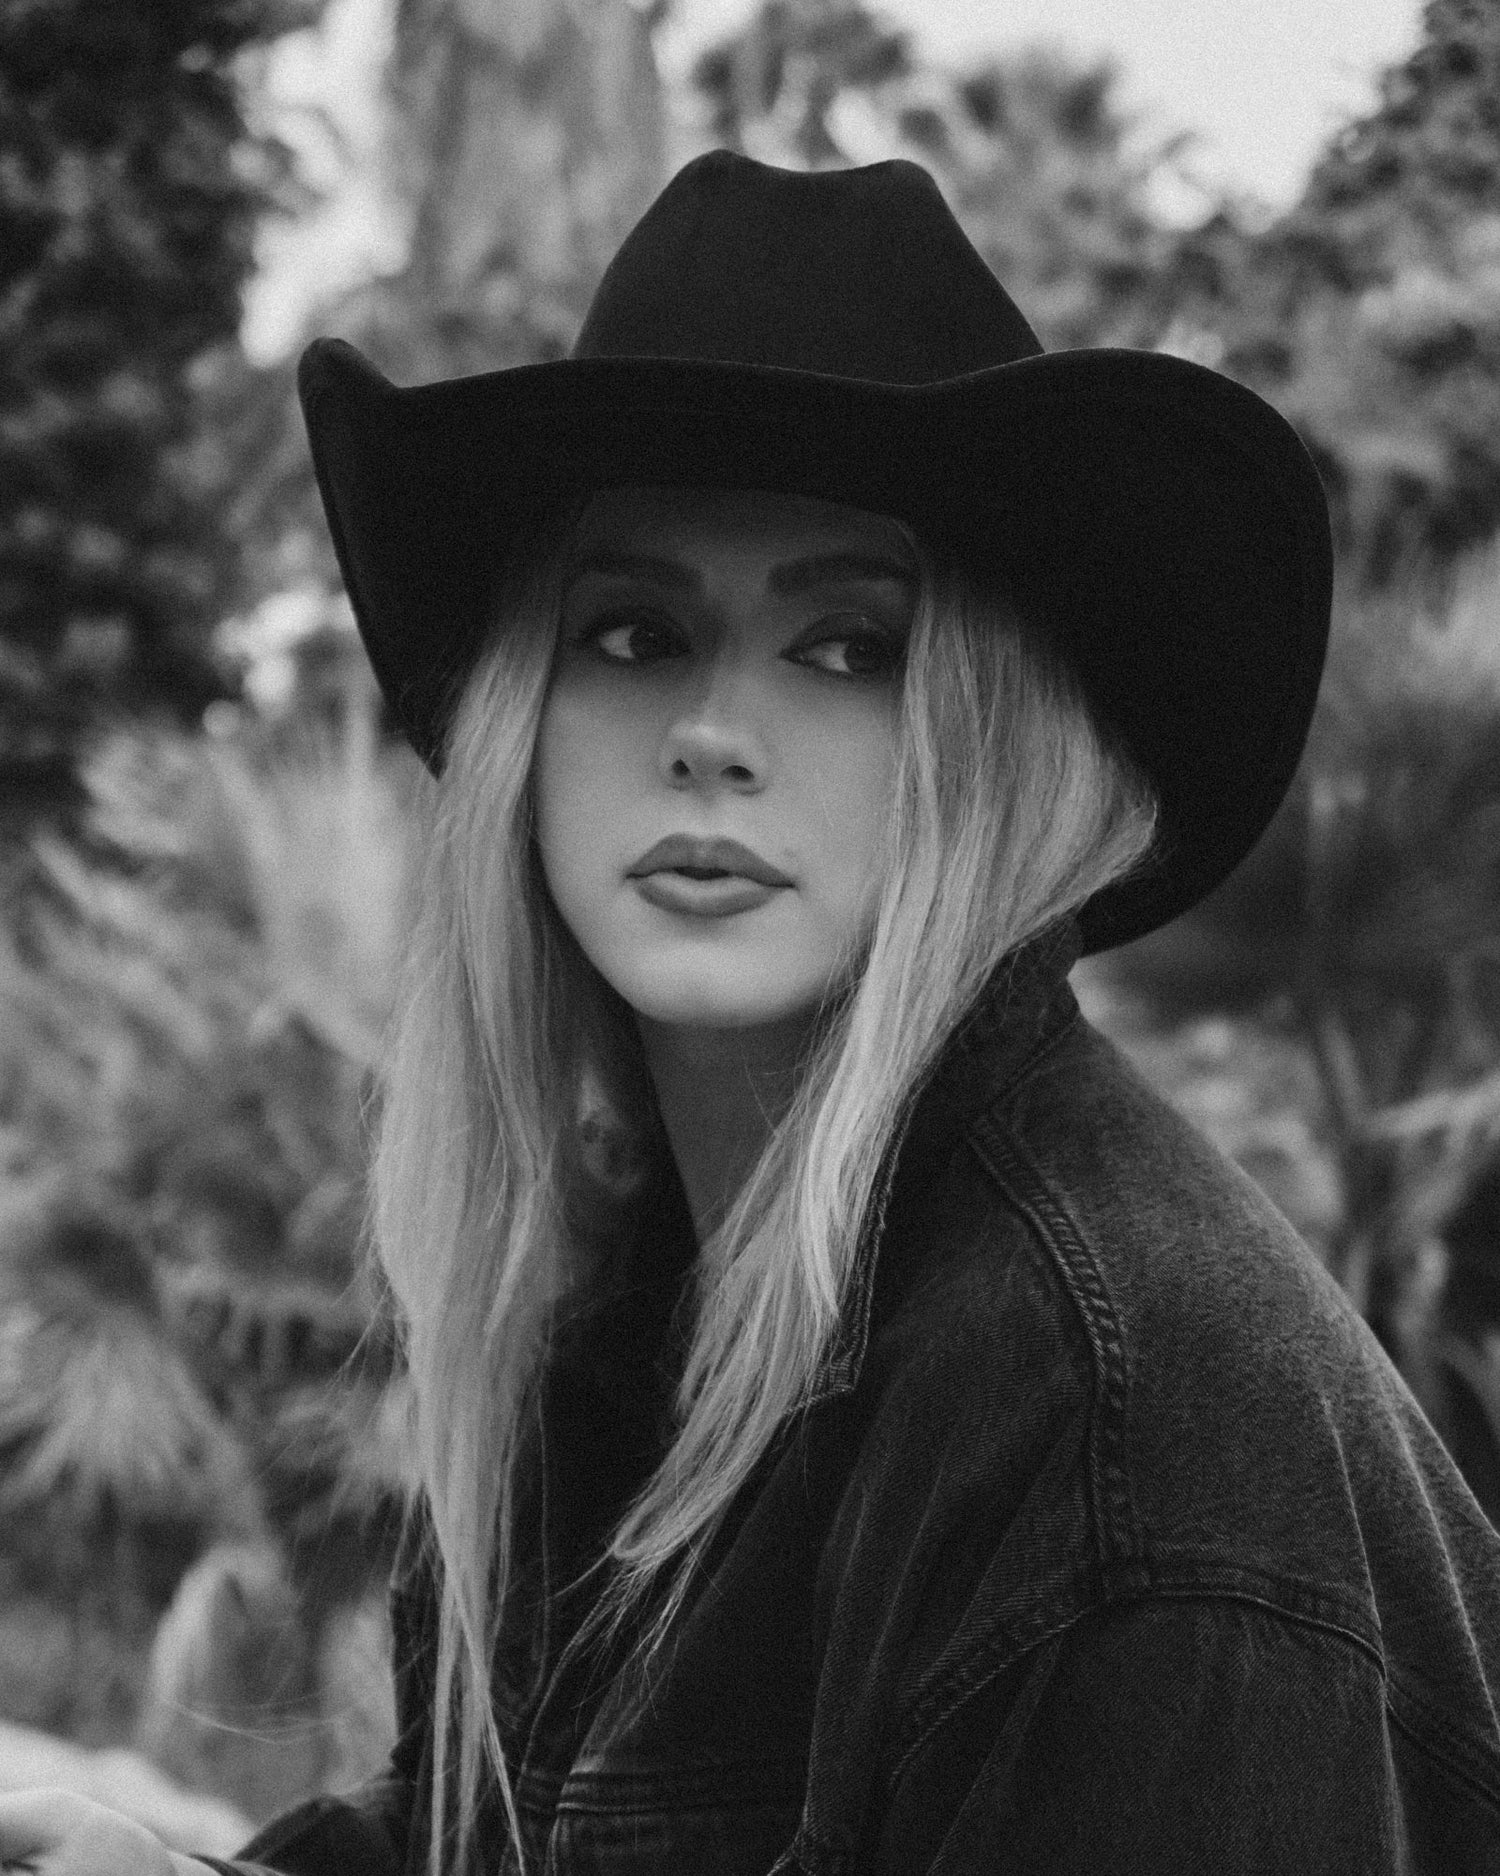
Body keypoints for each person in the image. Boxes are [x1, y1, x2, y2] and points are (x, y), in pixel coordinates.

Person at [6, 150, 1499, 1876]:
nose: (714, 729)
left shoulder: (1110, 1440)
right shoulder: (624, 1320)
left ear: (987, 743)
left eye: (848, 645)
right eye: (633, 631)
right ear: (517, 727)